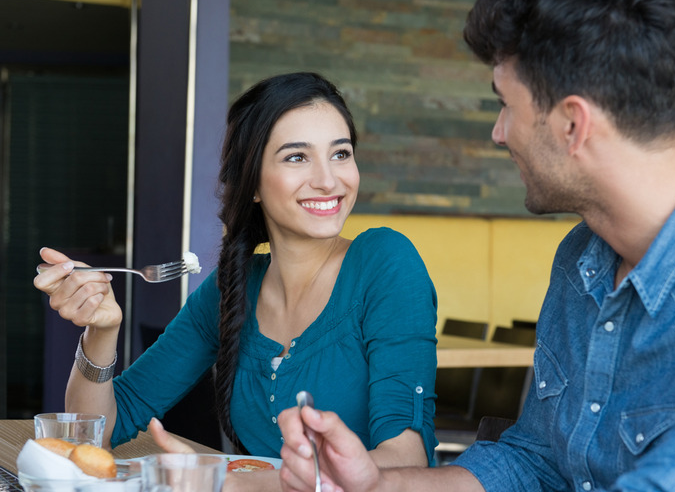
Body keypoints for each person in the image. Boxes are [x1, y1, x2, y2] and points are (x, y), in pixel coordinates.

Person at [276, 0, 675, 491]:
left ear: (573, 124)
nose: (499, 132)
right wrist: (377, 485)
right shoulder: (581, 259)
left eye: (504, 104)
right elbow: (535, 463)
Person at [34, 72, 438, 490]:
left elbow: (404, 461)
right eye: (297, 157)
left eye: (341, 154)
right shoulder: (231, 290)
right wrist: (102, 331)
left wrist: (224, 482)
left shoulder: (386, 264)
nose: (328, 179)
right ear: (254, 184)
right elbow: (91, 435)